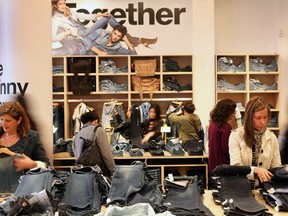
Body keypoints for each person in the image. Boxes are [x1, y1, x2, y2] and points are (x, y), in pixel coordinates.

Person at [51, 0, 157, 55]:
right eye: (60, 4)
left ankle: (135, 39)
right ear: (55, 5)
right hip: (82, 35)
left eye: (64, 3)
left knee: (107, 16)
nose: (63, 6)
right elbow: (53, 37)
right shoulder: (55, 19)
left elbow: (84, 16)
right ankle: (138, 40)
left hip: (86, 30)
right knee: (108, 19)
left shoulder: (69, 11)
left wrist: (100, 15)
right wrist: (66, 33)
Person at [229, 96, 281, 186]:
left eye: (265, 117)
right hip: (241, 188)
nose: (263, 122)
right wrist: (255, 170)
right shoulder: (236, 135)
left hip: (264, 189)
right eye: (258, 118)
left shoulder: (272, 137)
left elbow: (276, 166)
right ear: (249, 117)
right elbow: (236, 167)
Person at [0, 101, 50, 192]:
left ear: (19, 120)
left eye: (8, 121)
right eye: (1, 119)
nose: (3, 124)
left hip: (23, 194)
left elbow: (47, 165)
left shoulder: (32, 138)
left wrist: (33, 164)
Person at [72, 111, 115, 177]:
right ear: (95, 121)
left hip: (82, 172)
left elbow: (77, 155)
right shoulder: (98, 130)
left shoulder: (77, 135)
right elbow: (106, 154)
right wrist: (113, 171)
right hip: (97, 172)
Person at [208, 99, 236, 173]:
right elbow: (227, 149)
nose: (235, 113)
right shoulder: (225, 127)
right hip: (223, 167)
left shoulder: (212, 124)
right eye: (233, 111)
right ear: (227, 112)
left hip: (213, 164)